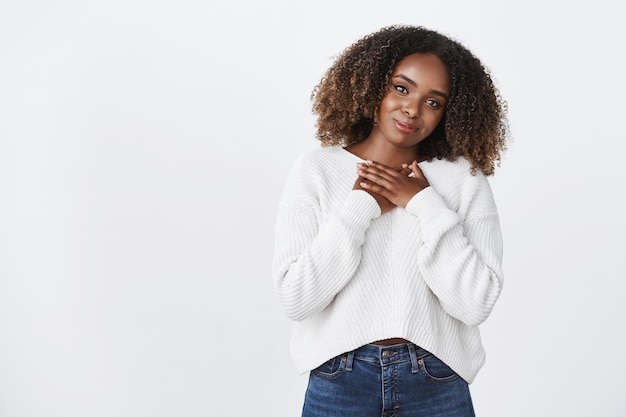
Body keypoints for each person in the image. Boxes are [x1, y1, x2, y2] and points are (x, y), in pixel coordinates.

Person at [272, 25, 508, 417]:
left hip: (437, 380)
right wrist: (361, 206)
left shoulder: (461, 179)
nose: (413, 109)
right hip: (338, 380)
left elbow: (476, 303)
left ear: (451, 111)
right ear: (372, 86)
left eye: (433, 101)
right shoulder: (317, 170)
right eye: (402, 88)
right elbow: (296, 299)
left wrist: (423, 202)